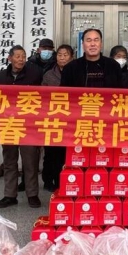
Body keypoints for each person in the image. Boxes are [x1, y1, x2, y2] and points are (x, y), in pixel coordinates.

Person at [0, 45, 44, 208]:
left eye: (23, 56)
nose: (21, 59)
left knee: (30, 161)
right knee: (9, 160)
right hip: (8, 124)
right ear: (10, 58)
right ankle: (10, 195)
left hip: (28, 125)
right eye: (17, 56)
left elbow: (43, 97)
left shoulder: (34, 74)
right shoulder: (0, 77)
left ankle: (32, 194)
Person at [41, 44, 74, 191]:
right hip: (52, 118)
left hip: (71, 119)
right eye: (60, 55)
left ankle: (63, 180)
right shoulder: (49, 75)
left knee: (65, 152)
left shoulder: (76, 72)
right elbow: (43, 96)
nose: (62, 58)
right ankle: (48, 180)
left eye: (65, 55)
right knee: (51, 152)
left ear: (71, 57)